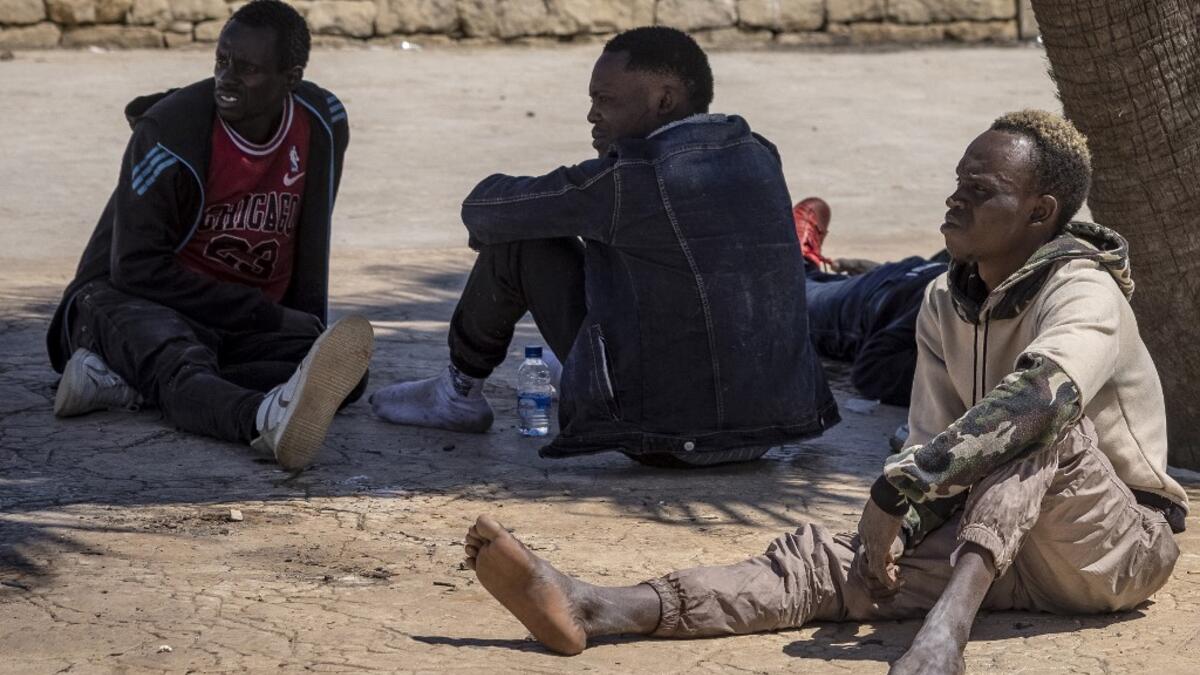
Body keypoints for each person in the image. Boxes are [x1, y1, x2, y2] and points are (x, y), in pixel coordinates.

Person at [459, 110, 1189, 673]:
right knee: (826, 563)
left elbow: (1041, 403)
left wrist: (900, 488)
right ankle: (605, 605)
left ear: (1040, 213)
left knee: (1035, 423)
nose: (954, 200)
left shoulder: (1083, 289)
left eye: (981, 191)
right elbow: (938, 447)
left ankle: (946, 634)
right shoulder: (942, 298)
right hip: (995, 544)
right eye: (956, 182)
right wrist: (897, 530)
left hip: (1114, 549)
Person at [371, 27, 838, 467]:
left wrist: (505, 230)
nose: (593, 115)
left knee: (519, 242)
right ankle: (559, 370)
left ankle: (457, 393)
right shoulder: (759, 151)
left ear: (664, 100)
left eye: (604, 100)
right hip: (767, 433)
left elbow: (483, 210)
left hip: (667, 439)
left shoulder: (628, 180)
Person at [46, 0, 373, 471]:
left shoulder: (322, 121)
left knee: (344, 377)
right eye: (222, 61)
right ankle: (261, 419)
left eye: (248, 69)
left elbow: (310, 234)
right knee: (180, 360)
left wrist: (295, 322)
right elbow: (135, 269)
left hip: (230, 320)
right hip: (127, 300)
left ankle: (131, 380)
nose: (227, 78)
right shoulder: (168, 134)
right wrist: (264, 314)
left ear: (291, 78)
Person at [794, 197, 948, 406]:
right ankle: (803, 266)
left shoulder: (948, 307)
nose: (954, 201)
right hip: (907, 275)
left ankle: (798, 264)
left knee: (788, 298)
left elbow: (873, 370)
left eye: (980, 189)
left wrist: (952, 383)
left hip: (869, 304)